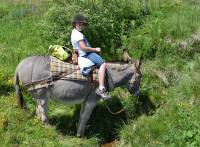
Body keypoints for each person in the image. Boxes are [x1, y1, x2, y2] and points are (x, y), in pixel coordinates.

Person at [71, 13, 111, 100]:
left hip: (83, 54)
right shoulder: (78, 35)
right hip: (86, 54)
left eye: (83, 24)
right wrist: (96, 49)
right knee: (103, 64)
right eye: (79, 23)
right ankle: (101, 88)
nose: (81, 25)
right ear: (75, 24)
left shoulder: (75, 32)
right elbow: (83, 48)